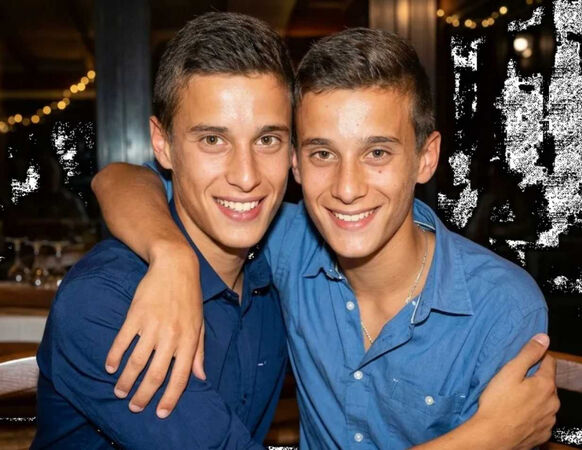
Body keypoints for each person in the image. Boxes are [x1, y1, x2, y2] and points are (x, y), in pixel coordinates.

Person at [92, 24, 559, 450]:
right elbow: (120, 179)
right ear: (295, 163)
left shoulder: (500, 307)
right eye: (323, 154)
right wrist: (171, 254)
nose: (347, 189)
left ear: (426, 157)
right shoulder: (284, 239)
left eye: (377, 152)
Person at [32, 12, 293, 448]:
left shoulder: (278, 274)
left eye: (267, 140)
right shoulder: (104, 301)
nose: (246, 176)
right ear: (162, 144)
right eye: (213, 140)